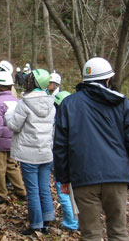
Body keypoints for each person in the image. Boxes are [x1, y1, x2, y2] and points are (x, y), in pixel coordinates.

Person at [53, 57, 129, 241]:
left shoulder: (69, 104)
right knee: (119, 231)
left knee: (91, 234)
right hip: (117, 175)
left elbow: (60, 145)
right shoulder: (123, 104)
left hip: (83, 177)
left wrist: (63, 178)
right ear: (108, 80)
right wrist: (125, 168)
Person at [5, 69, 55, 235]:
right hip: (46, 152)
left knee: (33, 191)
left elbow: (13, 126)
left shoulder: (24, 103)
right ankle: (47, 223)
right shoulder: (51, 103)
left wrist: (8, 114)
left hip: (29, 155)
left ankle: (36, 225)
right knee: (44, 188)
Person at [0, 72, 27, 205]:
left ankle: (1, 194)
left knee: (0, 168)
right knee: (13, 166)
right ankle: (22, 191)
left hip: (0, 142)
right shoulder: (17, 101)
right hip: (14, 140)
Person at [52, 91, 79, 232]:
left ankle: (71, 222)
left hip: (63, 164)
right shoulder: (79, 119)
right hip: (78, 163)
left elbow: (56, 146)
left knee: (64, 193)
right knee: (77, 193)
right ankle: (79, 219)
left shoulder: (58, 123)